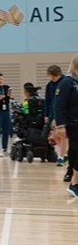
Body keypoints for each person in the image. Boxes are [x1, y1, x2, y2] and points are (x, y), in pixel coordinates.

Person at [54, 54, 78, 197]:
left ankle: (73, 178)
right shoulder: (67, 82)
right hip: (72, 123)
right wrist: (60, 125)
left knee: (75, 152)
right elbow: (59, 105)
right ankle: (75, 183)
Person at [45, 65, 70, 172]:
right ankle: (67, 153)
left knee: (62, 135)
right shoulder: (49, 85)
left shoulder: (65, 82)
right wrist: (46, 115)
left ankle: (61, 157)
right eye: (51, 77)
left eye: (54, 76)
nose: (53, 78)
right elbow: (48, 100)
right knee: (54, 136)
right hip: (52, 112)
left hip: (63, 112)